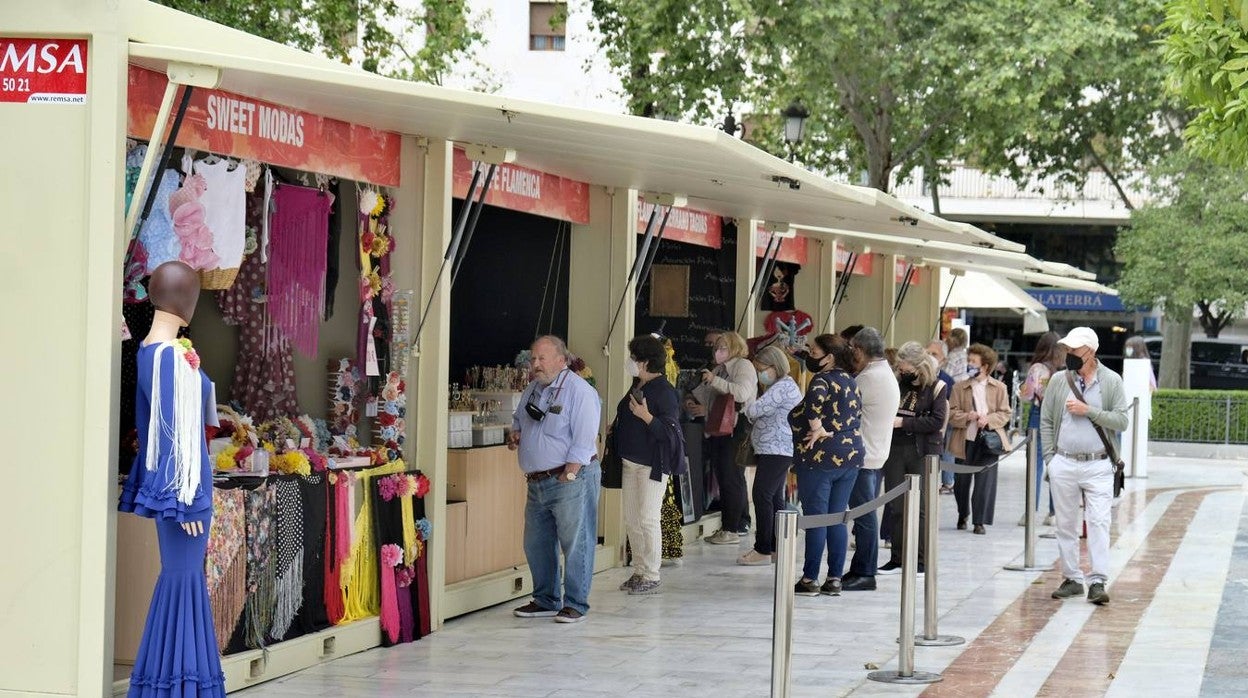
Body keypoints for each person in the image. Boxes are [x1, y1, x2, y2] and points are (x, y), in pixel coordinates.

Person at [118, 261, 225, 697]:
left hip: (181, 491)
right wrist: (184, 500)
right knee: (183, 583)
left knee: (182, 582)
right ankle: (179, 687)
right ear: (186, 299)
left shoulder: (155, 351)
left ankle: (170, 684)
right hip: (185, 493)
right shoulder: (166, 356)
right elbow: (172, 433)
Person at [509, 336, 602, 624]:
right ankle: (546, 599)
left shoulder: (579, 391)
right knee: (536, 542)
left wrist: (570, 473)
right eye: (533, 359)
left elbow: (585, 438)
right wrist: (515, 434)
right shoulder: (533, 389)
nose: (535, 364)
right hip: (536, 482)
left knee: (576, 542)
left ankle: (576, 603)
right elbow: (519, 419)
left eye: (541, 359)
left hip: (569, 477)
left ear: (562, 360)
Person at [1042, 327, 1128, 606]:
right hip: (1063, 461)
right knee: (1065, 524)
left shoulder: (1111, 381)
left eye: (1074, 351)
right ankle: (1072, 578)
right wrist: (1049, 459)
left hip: (1099, 463)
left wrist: (1089, 411)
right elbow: (1046, 421)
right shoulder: (1058, 380)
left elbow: (1121, 421)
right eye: (1067, 350)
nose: (1069, 355)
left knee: (1099, 521)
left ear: (1090, 352)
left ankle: (1098, 580)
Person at [789, 334, 865, 596]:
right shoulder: (851, 381)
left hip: (820, 459)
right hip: (851, 456)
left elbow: (814, 404)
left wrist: (817, 427)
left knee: (816, 519)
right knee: (837, 517)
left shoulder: (822, 380)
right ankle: (834, 578)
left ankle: (810, 578)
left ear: (829, 357)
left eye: (813, 350)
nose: (809, 354)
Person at [615, 335, 685, 595]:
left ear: (644, 362)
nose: (630, 362)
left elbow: (670, 433)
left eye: (634, 358)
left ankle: (652, 573)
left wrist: (646, 417)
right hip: (630, 461)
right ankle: (639, 569)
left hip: (652, 464)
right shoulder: (637, 384)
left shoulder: (665, 392)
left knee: (647, 518)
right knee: (632, 519)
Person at [877, 342, 949, 576]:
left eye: (904, 365)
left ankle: (920, 560)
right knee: (896, 506)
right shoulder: (898, 383)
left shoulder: (937, 387)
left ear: (918, 365)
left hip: (921, 451)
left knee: (920, 508)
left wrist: (904, 422)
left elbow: (937, 421)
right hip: (896, 448)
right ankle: (897, 557)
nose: (900, 368)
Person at [840, 327, 900, 591]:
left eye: (852, 348)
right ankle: (861, 568)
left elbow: (842, 408)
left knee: (864, 517)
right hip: (872, 453)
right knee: (865, 516)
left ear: (860, 350)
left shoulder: (869, 378)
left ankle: (865, 572)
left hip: (862, 457)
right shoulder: (882, 372)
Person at [737, 345, 803, 565]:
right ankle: (776, 547)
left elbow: (754, 410)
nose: (759, 374)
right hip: (775, 449)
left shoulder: (782, 387)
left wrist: (748, 409)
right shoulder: (782, 385)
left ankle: (763, 549)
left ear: (774, 366)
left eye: (762, 369)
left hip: (777, 449)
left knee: (762, 495)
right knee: (774, 497)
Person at [694, 331, 759, 544]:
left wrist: (715, 381)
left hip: (736, 428)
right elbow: (709, 395)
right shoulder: (719, 369)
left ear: (734, 347)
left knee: (731, 476)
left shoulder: (743, 366)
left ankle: (732, 527)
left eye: (722, 347)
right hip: (718, 428)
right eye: (716, 348)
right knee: (724, 476)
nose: (717, 351)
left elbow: (741, 393)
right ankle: (733, 524)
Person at [949, 343, 1011, 535]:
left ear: (985, 366)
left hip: (989, 441)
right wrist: (967, 416)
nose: (969, 364)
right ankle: (963, 513)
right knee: (961, 482)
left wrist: (989, 419)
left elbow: (1005, 413)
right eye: (969, 361)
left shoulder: (999, 387)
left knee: (985, 482)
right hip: (965, 439)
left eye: (973, 361)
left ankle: (979, 521)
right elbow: (951, 413)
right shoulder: (959, 387)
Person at [1020, 331, 1064, 525]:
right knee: (1056, 466)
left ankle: (1031, 512)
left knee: (1035, 466)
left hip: (1039, 417)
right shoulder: (1065, 370)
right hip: (1060, 419)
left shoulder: (1037, 368)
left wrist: (1023, 387)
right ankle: (1054, 514)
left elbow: (1027, 395)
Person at [926, 340, 958, 495]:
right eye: (927, 353)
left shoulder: (948, 381)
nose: (930, 357)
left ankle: (948, 481)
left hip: (942, 424)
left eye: (934, 354)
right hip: (924, 424)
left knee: (946, 451)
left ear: (943, 360)